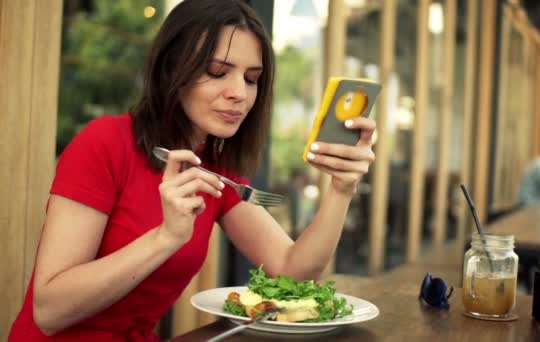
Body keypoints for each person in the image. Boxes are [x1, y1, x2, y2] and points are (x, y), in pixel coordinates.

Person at [8, 1, 376, 341]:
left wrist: (342, 189)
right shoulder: (105, 143)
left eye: (251, 78)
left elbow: (293, 272)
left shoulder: (216, 170)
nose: (240, 93)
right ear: (172, 71)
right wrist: (166, 236)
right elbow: (49, 310)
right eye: (217, 72)